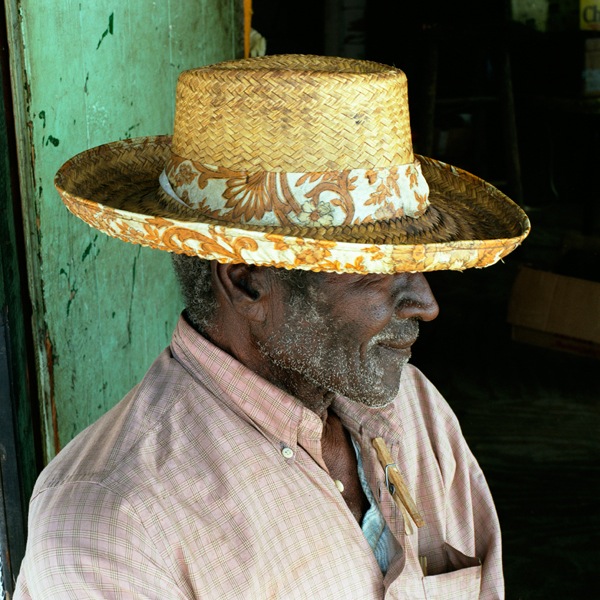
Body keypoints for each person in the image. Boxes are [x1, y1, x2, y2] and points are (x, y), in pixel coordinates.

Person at [15, 55, 529, 599]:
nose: (426, 304)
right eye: (375, 268)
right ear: (246, 281)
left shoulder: (417, 413)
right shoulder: (116, 525)